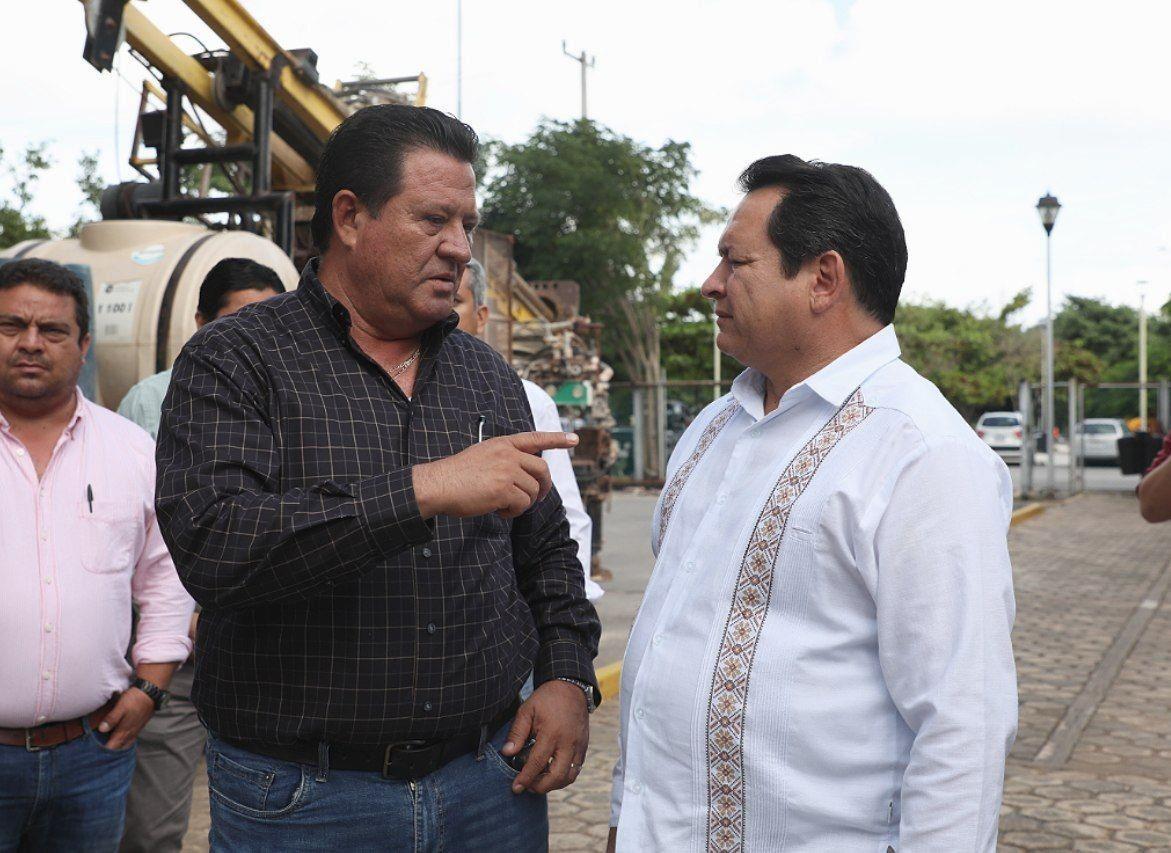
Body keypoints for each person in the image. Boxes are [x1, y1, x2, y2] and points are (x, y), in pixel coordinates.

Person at [155, 104, 601, 851]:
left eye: (465, 222)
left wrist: (564, 676)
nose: (459, 247)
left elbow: (549, 552)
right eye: (432, 218)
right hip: (304, 798)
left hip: (489, 783)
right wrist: (423, 490)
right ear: (351, 216)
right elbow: (217, 545)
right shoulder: (237, 360)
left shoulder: (487, 379)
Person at [608, 156, 1017, 852]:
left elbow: (962, 720)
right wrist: (623, 818)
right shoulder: (712, 428)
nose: (709, 286)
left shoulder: (919, 450)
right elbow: (667, 643)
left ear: (822, 279)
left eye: (734, 262)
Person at [0, 258, 194, 852]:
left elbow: (166, 575)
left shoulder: (131, 450)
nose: (31, 343)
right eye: (11, 325)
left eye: (53, 330)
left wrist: (152, 687)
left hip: (93, 754)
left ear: (83, 346)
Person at [117, 257, 285, 853]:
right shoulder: (153, 399)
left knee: (268, 815)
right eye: (238, 319)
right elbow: (153, 531)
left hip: (275, 644)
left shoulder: (301, 400)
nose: (255, 333)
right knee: (154, 824)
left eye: (270, 318)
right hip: (182, 647)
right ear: (200, 322)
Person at [452, 258, 604, 602]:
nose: (442, 314)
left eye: (455, 302)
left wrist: (566, 624)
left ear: (481, 316)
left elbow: (566, 519)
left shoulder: (527, 401)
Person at [118, 257, 286, 440]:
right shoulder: (148, 402)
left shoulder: (295, 399)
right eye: (239, 327)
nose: (255, 340)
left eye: (267, 326)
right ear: (202, 323)